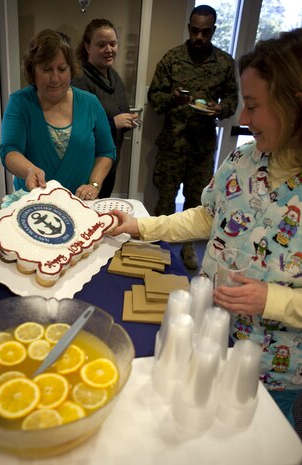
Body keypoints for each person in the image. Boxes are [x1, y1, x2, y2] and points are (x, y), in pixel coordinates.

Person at [110, 28, 302, 436]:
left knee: (254, 443)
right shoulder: (244, 158)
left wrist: (273, 298)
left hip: (268, 369)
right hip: (209, 333)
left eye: (252, 106)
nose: (243, 119)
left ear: (295, 105)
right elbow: (205, 217)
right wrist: (142, 226)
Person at [147, 4, 238, 270]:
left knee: (196, 202)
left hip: (203, 147)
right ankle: (157, 247)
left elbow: (232, 99)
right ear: (189, 28)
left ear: (213, 30)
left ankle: (188, 249)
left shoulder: (224, 63)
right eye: (195, 31)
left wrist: (221, 108)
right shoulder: (172, 59)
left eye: (206, 32)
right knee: (165, 199)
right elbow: (155, 99)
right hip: (172, 145)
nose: (200, 37)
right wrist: (173, 99)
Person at [0, 29, 116, 202]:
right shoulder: (20, 103)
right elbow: (10, 151)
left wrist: (94, 184)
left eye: (62, 69)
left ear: (71, 69)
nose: (55, 78)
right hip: (34, 204)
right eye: (46, 69)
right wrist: (29, 170)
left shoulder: (90, 103)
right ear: (33, 71)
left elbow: (106, 151)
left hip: (78, 203)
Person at [72, 18, 139, 198]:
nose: (109, 49)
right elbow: (75, 126)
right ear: (88, 47)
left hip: (110, 160)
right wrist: (112, 123)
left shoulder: (114, 77)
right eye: (101, 45)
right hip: (88, 166)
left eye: (113, 43)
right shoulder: (79, 80)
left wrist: (125, 122)